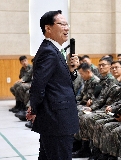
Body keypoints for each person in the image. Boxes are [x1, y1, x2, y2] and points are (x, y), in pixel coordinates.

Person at [26, 10, 80, 160]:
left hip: (55, 118)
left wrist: (71, 70)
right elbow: (38, 85)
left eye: (67, 24)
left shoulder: (54, 50)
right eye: (62, 24)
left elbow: (56, 83)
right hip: (56, 119)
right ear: (48, 28)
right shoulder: (49, 52)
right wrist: (35, 109)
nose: (66, 28)